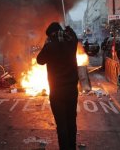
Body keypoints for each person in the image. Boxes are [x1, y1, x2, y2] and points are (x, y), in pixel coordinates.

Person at [37, 22, 78, 150]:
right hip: (71, 90)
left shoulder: (49, 46)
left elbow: (39, 60)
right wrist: (69, 29)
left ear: (51, 35)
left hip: (56, 91)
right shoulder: (71, 44)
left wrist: (47, 44)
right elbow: (74, 37)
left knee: (61, 124)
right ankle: (72, 147)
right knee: (71, 121)